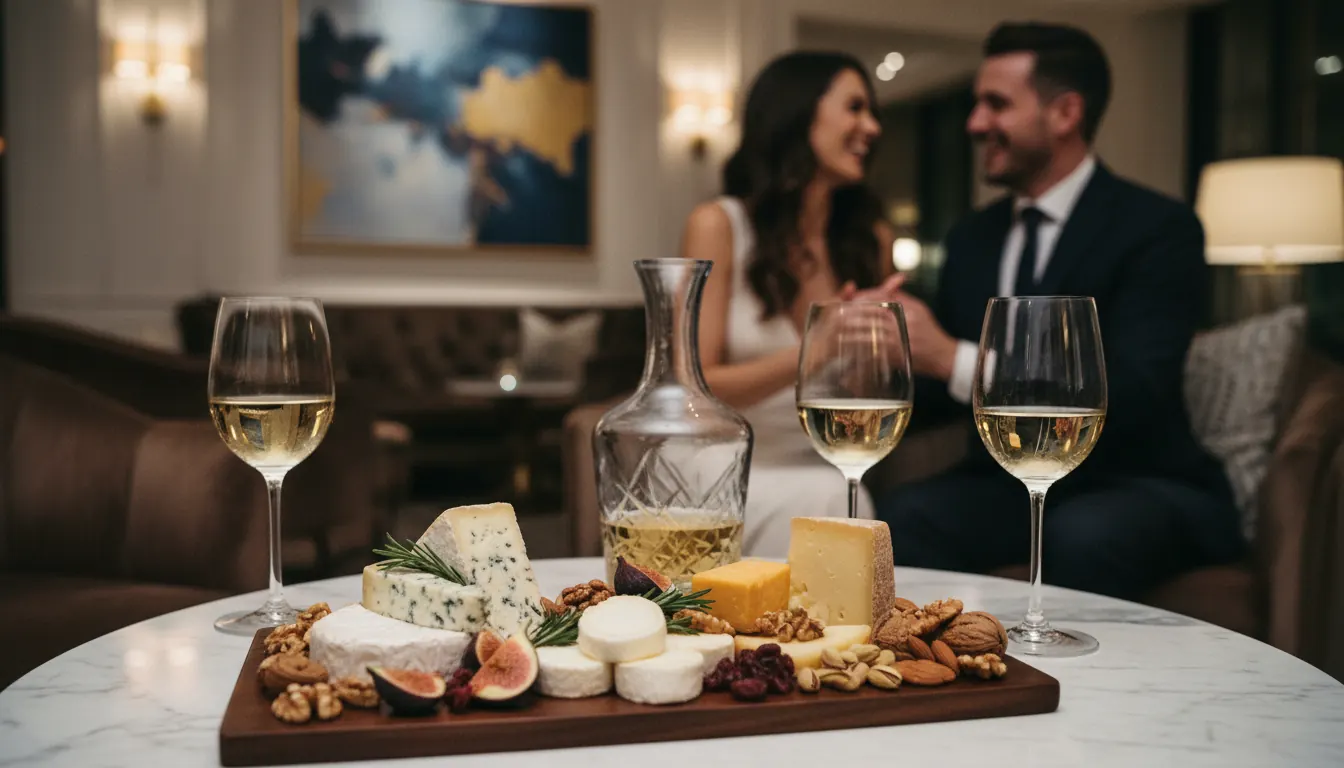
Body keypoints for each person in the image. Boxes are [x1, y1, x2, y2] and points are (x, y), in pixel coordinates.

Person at [875, 22, 1243, 599]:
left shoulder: (1158, 228)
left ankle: (1075, 690)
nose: (974, 124)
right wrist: (880, 349)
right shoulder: (973, 237)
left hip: (1136, 481)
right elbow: (937, 392)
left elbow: (1136, 390)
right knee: (901, 517)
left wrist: (953, 357)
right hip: (1005, 485)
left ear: (1066, 113)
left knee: (1084, 536)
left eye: (996, 104)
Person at [680, 51, 900, 557]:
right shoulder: (719, 225)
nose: (871, 128)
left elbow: (873, 401)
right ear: (799, 111)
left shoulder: (870, 241)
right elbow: (694, 388)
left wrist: (876, 344)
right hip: (724, 466)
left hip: (831, 462)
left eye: (873, 114)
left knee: (840, 495)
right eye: (855, 107)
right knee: (838, 504)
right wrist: (816, 350)